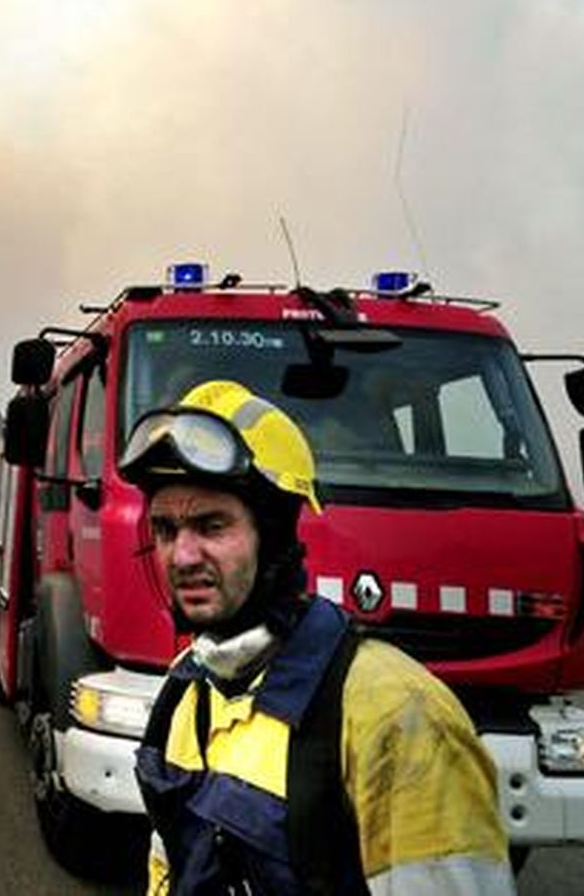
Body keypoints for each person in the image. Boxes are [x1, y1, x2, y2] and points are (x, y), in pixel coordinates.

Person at [117, 379, 513, 895]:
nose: (182, 556)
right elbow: (168, 869)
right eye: (166, 530)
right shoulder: (187, 688)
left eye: (212, 526)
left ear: (276, 535)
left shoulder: (398, 715)